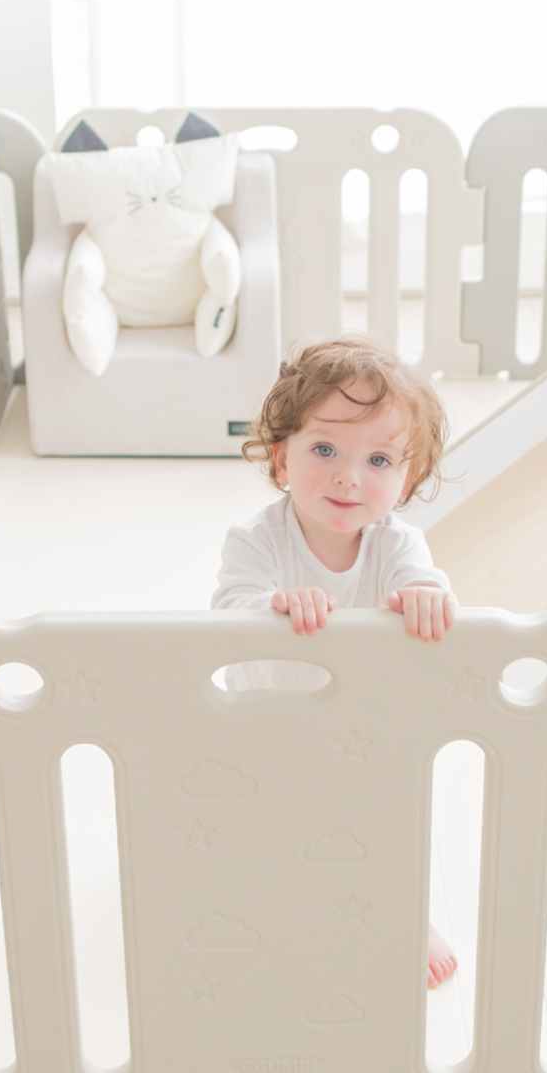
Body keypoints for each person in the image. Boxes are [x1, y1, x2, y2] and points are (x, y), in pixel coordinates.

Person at [212, 335, 459, 988]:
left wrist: (430, 597)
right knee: (268, 833)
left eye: (379, 459)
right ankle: (276, 908)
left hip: (362, 735)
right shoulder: (255, 542)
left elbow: (427, 586)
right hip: (268, 729)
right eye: (325, 449)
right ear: (281, 457)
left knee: (390, 820)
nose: (350, 475)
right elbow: (231, 613)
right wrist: (273, 605)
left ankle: (406, 911)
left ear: (405, 480)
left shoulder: (399, 543)